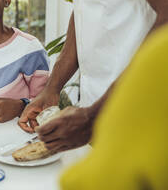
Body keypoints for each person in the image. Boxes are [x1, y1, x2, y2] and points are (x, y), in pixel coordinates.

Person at [19, 0, 168, 154]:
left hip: (142, 117)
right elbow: (85, 9)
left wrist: (95, 115)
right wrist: (52, 88)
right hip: (99, 121)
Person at [60, 23, 168, 190]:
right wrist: (52, 88)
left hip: (120, 115)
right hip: (97, 113)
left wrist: (92, 115)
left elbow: (101, 180)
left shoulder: (160, 53)